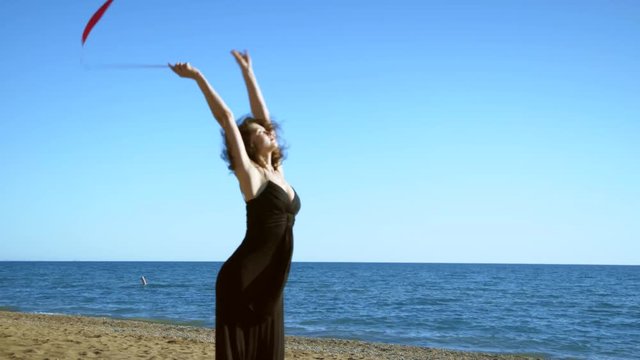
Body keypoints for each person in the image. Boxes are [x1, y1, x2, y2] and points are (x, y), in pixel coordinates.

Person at [170, 50, 301, 360]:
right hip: (242, 280)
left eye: (268, 130)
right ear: (249, 144)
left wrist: (248, 72)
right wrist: (198, 77)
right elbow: (227, 117)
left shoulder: (278, 172)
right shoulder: (251, 175)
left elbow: (264, 117)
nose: (268, 131)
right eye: (259, 132)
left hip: (270, 281)